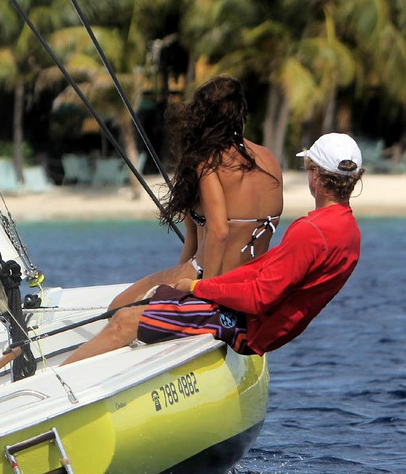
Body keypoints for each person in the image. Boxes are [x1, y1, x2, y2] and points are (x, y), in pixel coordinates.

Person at [63, 132, 363, 364]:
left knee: (125, 320)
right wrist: (204, 286)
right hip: (262, 324)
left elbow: (259, 298)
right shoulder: (348, 230)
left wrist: (199, 287)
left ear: (314, 177)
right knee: (155, 298)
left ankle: (61, 383)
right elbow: (260, 271)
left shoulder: (311, 232)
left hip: (250, 330)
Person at [106, 75, 283, 312]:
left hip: (208, 277)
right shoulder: (270, 160)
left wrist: (204, 291)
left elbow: (219, 232)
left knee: (117, 307)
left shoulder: (209, 162)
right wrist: (169, 289)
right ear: (241, 113)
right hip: (251, 282)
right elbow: (195, 235)